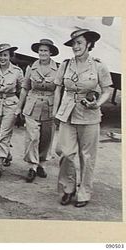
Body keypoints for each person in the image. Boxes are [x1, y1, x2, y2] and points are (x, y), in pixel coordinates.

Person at [53, 29, 112, 207]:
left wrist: (98, 103)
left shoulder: (98, 66)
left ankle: (84, 192)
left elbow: (107, 90)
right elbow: (58, 90)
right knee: (65, 152)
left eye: (79, 43)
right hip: (67, 114)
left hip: (90, 115)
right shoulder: (65, 64)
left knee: (87, 156)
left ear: (89, 44)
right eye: (73, 44)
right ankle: (67, 188)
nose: (75, 47)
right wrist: (56, 112)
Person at [16, 39, 59, 183]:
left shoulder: (57, 69)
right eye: (40, 51)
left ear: (51, 53)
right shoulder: (31, 68)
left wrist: (59, 110)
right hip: (32, 105)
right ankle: (32, 166)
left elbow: (60, 90)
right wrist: (19, 106)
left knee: (47, 138)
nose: (43, 53)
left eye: (45, 51)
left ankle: (41, 163)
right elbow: (25, 88)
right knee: (32, 137)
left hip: (50, 106)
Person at [0, 44, 24, 179]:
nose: (2, 58)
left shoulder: (17, 71)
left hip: (11, 104)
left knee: (4, 133)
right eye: (0, 55)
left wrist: (20, 108)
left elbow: (22, 90)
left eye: (5, 55)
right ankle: (7, 154)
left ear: (10, 56)